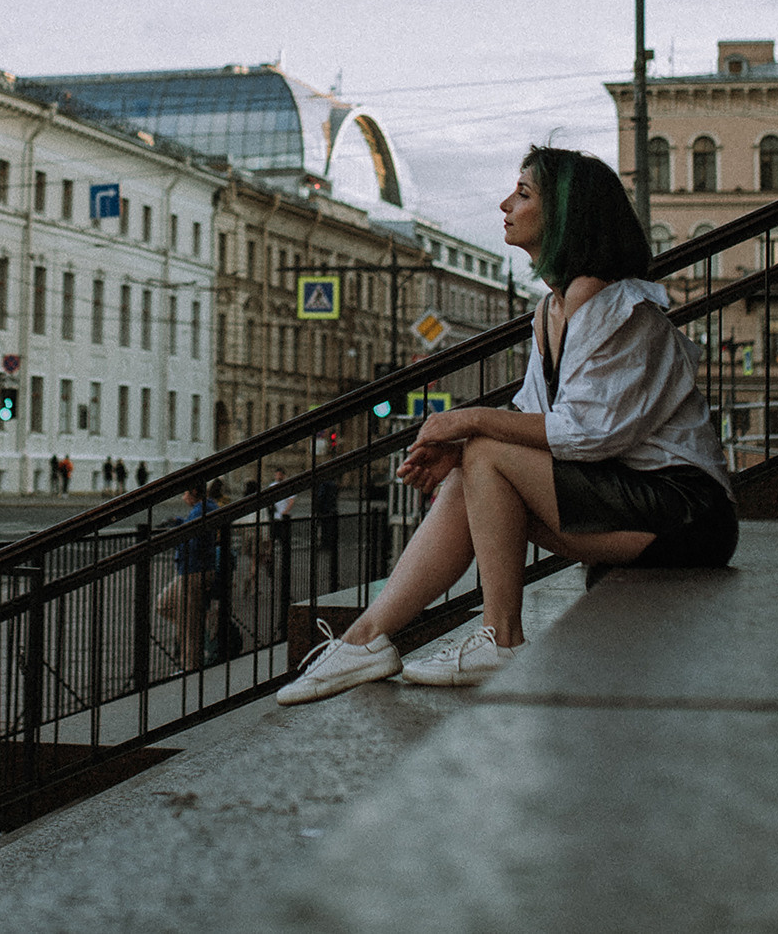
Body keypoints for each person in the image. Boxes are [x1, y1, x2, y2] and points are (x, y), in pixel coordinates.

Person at [278, 146, 735, 706]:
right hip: (633, 501)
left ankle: (502, 637)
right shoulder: (552, 309)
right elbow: (532, 416)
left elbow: (588, 434)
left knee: (484, 451)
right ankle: (366, 639)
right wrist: (462, 447)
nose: (505, 204)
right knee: (477, 457)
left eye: (524, 194)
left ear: (567, 212)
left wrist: (465, 420)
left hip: (688, 512)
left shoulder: (616, 306)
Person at [152, 485, 217, 670]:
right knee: (164, 604)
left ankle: (190, 669)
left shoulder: (201, 510)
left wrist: (177, 539)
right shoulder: (204, 508)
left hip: (193, 570)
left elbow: (193, 543)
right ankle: (198, 626)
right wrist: (179, 521)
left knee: (189, 628)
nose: (183, 497)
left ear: (194, 492)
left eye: (185, 492)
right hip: (192, 570)